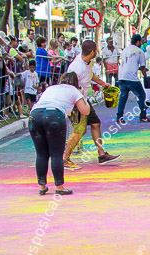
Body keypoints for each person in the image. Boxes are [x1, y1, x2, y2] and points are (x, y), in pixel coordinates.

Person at [29, 72, 88, 196]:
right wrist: (82, 96)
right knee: (56, 154)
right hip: (54, 115)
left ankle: (42, 186)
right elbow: (85, 110)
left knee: (41, 154)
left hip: (35, 115)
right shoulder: (74, 90)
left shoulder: (51, 88)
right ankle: (59, 186)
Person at [63, 40, 120, 168]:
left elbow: (91, 74)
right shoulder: (76, 68)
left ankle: (101, 154)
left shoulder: (88, 61)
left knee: (95, 123)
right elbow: (69, 85)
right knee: (80, 130)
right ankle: (65, 158)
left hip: (83, 99)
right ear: (93, 52)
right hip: (76, 101)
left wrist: (102, 83)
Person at [115, 34, 150, 124]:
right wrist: (145, 77)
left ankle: (119, 117)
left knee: (123, 97)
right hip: (132, 78)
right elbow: (142, 67)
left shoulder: (125, 50)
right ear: (138, 41)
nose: (141, 43)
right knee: (142, 95)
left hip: (122, 76)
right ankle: (143, 116)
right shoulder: (140, 51)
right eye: (141, 41)